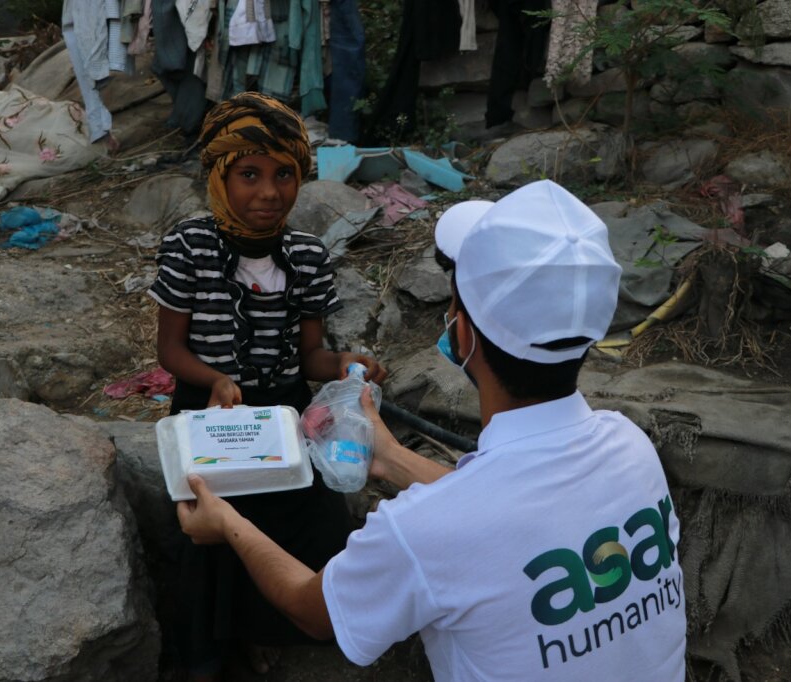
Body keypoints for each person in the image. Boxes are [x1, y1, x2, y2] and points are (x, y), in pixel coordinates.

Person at [176, 179, 686, 680]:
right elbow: (509, 515)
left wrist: (228, 523)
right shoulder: (631, 447)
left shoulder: (420, 530)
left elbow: (312, 610)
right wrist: (391, 457)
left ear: (461, 334)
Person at [147, 91, 385, 680]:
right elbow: (169, 350)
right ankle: (215, 650)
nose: (269, 192)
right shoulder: (189, 246)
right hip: (208, 411)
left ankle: (286, 625)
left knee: (311, 515)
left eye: (284, 175)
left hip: (285, 415)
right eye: (249, 175)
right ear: (219, 177)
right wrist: (217, 379)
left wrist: (346, 363)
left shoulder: (306, 255)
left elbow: (309, 357)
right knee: (213, 527)